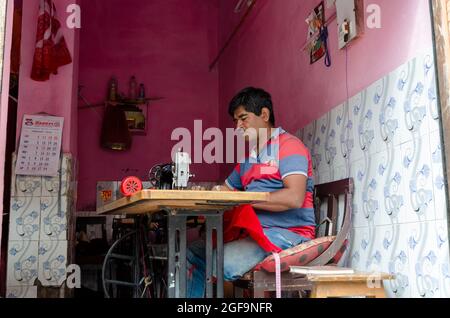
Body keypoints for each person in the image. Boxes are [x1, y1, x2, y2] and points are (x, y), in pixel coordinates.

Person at [186, 87, 316, 298]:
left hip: (289, 233)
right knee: (192, 253)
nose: (238, 127)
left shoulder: (290, 147)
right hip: (256, 233)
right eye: (236, 121)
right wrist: (214, 191)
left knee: (220, 261)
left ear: (264, 115)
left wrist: (245, 199)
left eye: (243, 118)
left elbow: (294, 197)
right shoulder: (250, 159)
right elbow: (226, 190)